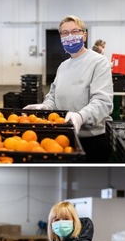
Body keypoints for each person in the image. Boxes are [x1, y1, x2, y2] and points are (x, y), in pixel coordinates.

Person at [24, 15, 113, 162]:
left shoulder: (99, 62)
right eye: (65, 33)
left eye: (75, 31)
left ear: (84, 35)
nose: (70, 36)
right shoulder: (63, 66)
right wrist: (45, 107)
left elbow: (103, 103)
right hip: (64, 136)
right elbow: (53, 96)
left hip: (92, 139)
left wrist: (80, 116)